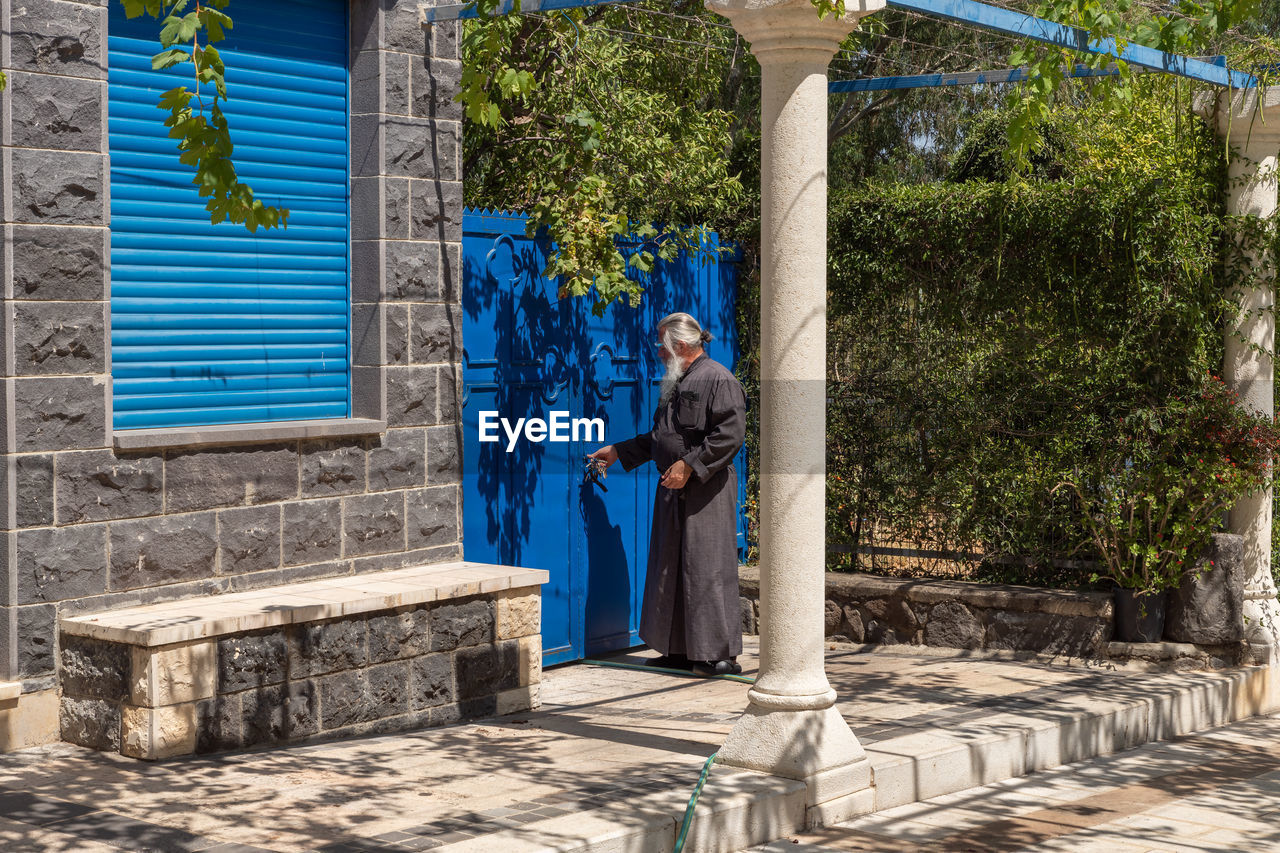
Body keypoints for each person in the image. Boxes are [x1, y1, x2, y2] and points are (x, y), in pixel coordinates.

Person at [589, 312, 748, 677]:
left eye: (661, 345)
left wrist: (690, 465)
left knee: (707, 569)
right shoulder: (677, 381)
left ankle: (717, 655)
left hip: (704, 492)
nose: (658, 352)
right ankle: (678, 649)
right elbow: (661, 437)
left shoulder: (719, 379)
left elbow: (729, 435)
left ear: (679, 345)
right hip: (672, 489)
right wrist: (619, 451)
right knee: (671, 566)